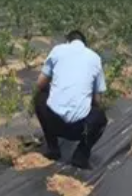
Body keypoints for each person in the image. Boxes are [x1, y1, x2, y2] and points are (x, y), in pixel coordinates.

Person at [33, 30, 108, 169]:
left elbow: (40, 84)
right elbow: (97, 101)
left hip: (53, 122)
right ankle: (81, 155)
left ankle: (53, 147)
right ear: (85, 44)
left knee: (40, 97)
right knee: (100, 116)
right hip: (79, 129)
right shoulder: (95, 58)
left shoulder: (57, 50)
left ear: (67, 41)